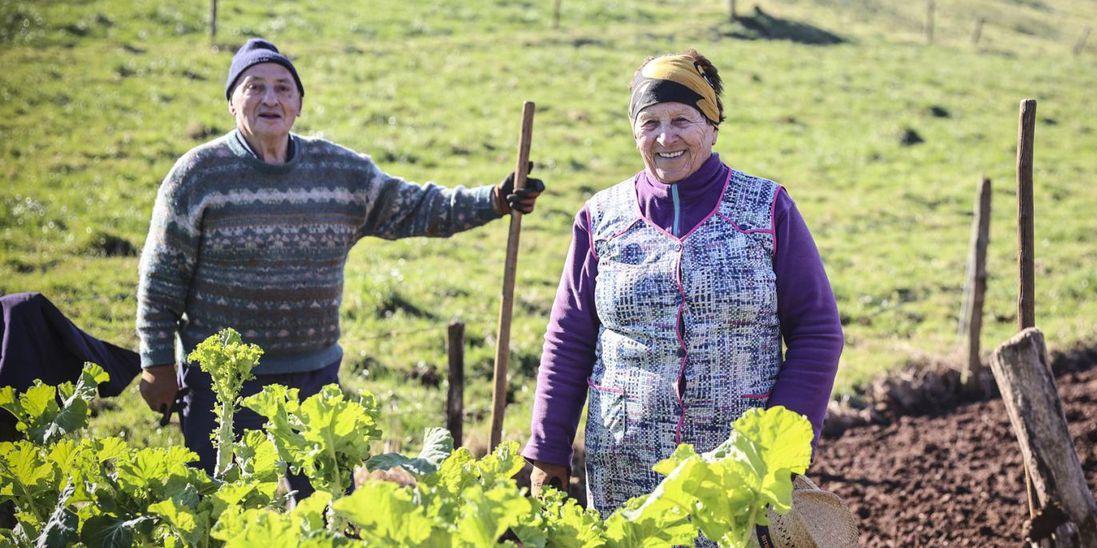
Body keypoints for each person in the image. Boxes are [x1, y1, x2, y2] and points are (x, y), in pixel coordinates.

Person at [135, 38, 544, 491]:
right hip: (224, 387)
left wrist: (494, 201)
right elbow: (161, 279)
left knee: (326, 510)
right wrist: (157, 364)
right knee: (222, 511)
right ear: (232, 102)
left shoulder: (340, 173)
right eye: (254, 87)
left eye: (283, 88)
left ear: (299, 105)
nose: (270, 99)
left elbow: (418, 207)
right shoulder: (196, 176)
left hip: (313, 380)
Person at [522, 50, 843, 516]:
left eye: (681, 120)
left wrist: (778, 452)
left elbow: (818, 332)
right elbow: (569, 337)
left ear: (712, 126)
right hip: (624, 467)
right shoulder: (601, 218)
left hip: (736, 469)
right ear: (635, 131)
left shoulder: (767, 209)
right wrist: (549, 446)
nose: (665, 137)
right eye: (649, 122)